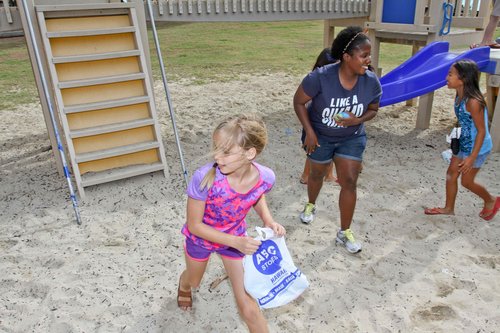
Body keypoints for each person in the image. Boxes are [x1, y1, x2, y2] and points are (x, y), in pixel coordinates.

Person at [177, 114, 286, 332]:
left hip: (235, 239)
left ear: (250, 153)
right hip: (202, 238)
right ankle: (184, 285)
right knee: (195, 280)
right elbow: (194, 225)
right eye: (216, 148)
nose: (217, 156)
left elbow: (257, 195)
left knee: (249, 307)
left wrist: (268, 219)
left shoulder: (266, 177)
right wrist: (236, 242)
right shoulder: (204, 178)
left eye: (225, 152)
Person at [293, 26, 382, 254]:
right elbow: (299, 102)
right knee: (316, 175)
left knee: (350, 181)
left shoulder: (371, 81)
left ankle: (344, 232)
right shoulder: (320, 78)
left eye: (368, 55)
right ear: (346, 57)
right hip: (320, 136)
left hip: (351, 137)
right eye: (363, 55)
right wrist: (310, 132)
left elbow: (373, 109)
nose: (368, 60)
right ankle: (311, 204)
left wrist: (357, 120)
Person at [424, 60, 499, 220]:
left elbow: (481, 131)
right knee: (451, 174)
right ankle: (448, 208)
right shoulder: (459, 95)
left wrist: (471, 158)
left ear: (463, 78)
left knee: (467, 181)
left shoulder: (473, 101)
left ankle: (491, 199)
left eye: (450, 74)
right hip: (463, 143)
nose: (447, 77)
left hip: (478, 148)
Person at [300, 47, 338, 185]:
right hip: (316, 122)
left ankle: (329, 174)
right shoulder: (317, 80)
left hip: (332, 120)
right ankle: (305, 175)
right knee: (314, 150)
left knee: (334, 147)